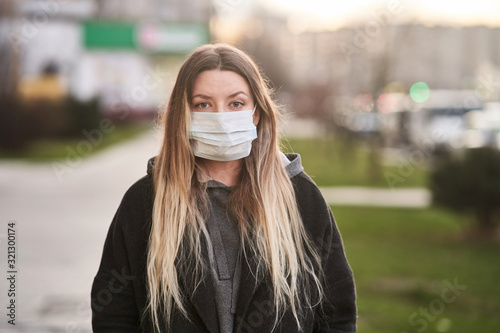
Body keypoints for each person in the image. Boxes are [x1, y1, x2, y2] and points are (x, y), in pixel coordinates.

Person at [90, 43, 357, 333]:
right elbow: (114, 315)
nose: (221, 117)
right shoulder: (146, 202)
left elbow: (336, 313)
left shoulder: (301, 198)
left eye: (236, 103)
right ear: (184, 115)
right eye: (203, 104)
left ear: (256, 112)